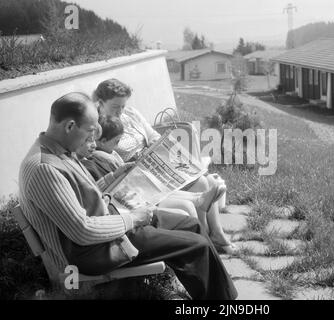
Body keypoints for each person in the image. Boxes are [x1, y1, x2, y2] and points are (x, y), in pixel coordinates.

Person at [18, 92, 237, 300]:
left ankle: (217, 294)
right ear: (70, 126)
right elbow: (82, 231)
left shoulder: (58, 151)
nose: (93, 138)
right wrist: (134, 218)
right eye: (90, 131)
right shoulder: (44, 168)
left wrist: (115, 176)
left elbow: (81, 195)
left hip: (108, 228)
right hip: (94, 250)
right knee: (196, 246)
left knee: (191, 225)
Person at [93, 79, 238, 254]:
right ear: (100, 103)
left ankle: (215, 234)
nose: (121, 111)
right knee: (203, 186)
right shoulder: (99, 126)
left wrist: (155, 148)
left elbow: (153, 135)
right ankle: (208, 238)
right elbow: (110, 158)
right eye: (116, 107)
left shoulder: (130, 114)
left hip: (153, 162)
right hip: (135, 173)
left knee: (204, 182)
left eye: (123, 106)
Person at [75, 115, 225, 219]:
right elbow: (95, 193)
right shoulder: (92, 162)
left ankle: (199, 200)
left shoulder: (106, 154)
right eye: (88, 141)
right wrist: (116, 175)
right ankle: (199, 201)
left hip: (130, 193)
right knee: (185, 204)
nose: (93, 145)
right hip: (124, 204)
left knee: (200, 186)